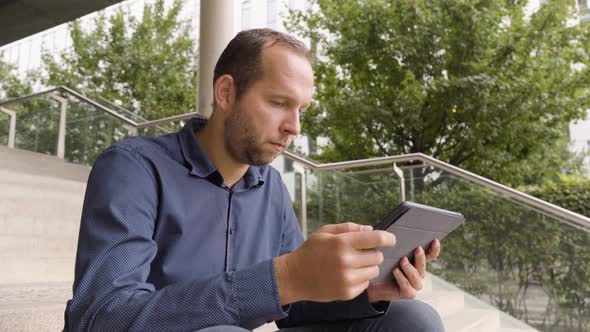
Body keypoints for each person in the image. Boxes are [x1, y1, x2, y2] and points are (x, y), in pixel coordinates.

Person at [64, 28, 444, 332]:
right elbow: (100, 317)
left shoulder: (271, 187)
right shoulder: (133, 168)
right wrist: (281, 278)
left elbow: (292, 308)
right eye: (279, 103)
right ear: (226, 92)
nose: (293, 126)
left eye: (301, 110)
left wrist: (368, 291)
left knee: (413, 320)